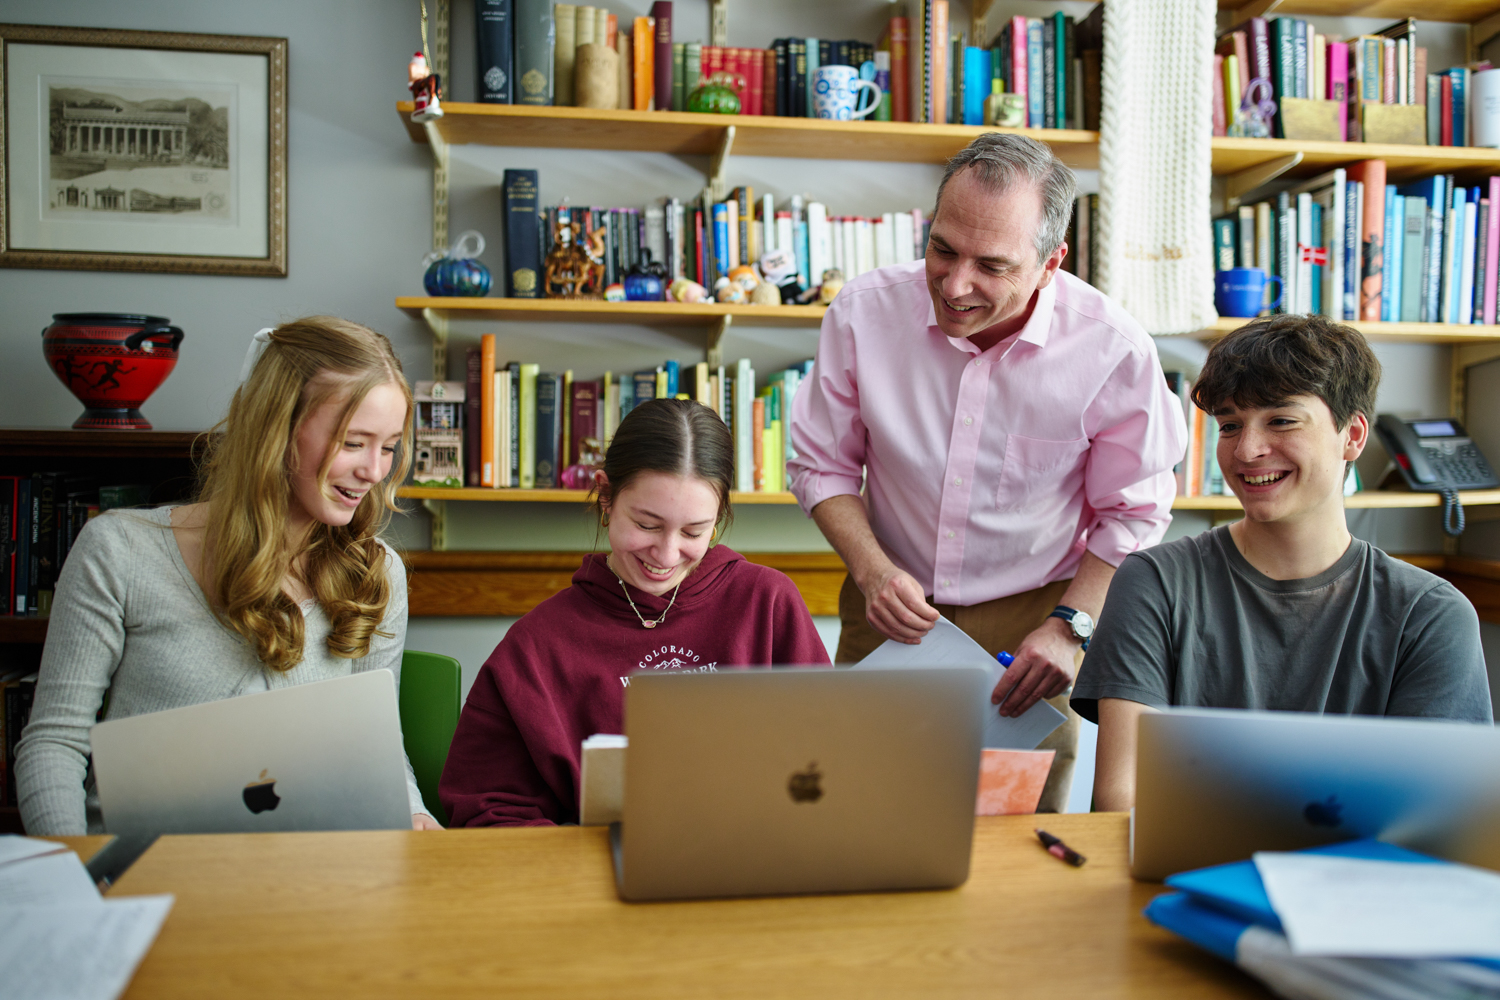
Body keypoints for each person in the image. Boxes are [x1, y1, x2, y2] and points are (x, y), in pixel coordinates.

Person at [787, 132, 1187, 811]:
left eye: (992, 265)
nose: (955, 282)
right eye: (942, 248)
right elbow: (821, 465)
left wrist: (1070, 629)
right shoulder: (862, 313)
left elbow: (1135, 512)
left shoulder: (1111, 349)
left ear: (1050, 263)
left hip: (1036, 625)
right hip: (887, 602)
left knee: (1017, 842)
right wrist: (872, 569)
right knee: (852, 814)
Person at [16, 317, 440, 834]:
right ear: (275, 429)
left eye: (389, 446)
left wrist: (414, 812)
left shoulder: (377, 573)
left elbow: (378, 745)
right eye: (354, 442)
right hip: (140, 882)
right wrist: (72, 882)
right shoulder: (119, 552)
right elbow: (53, 744)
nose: (375, 471)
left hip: (306, 881)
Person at [1073, 314, 1493, 812]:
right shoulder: (1156, 581)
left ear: (1353, 435)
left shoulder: (1430, 614)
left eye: (1281, 420)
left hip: (1355, 884)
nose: (1247, 450)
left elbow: (1436, 817)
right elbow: (1122, 798)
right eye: (1230, 425)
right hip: (1179, 882)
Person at [441, 399, 831, 827]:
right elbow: (487, 806)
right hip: (591, 878)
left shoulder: (768, 603)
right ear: (605, 494)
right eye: (647, 525)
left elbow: (830, 759)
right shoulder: (535, 645)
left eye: (693, 532)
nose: (665, 555)